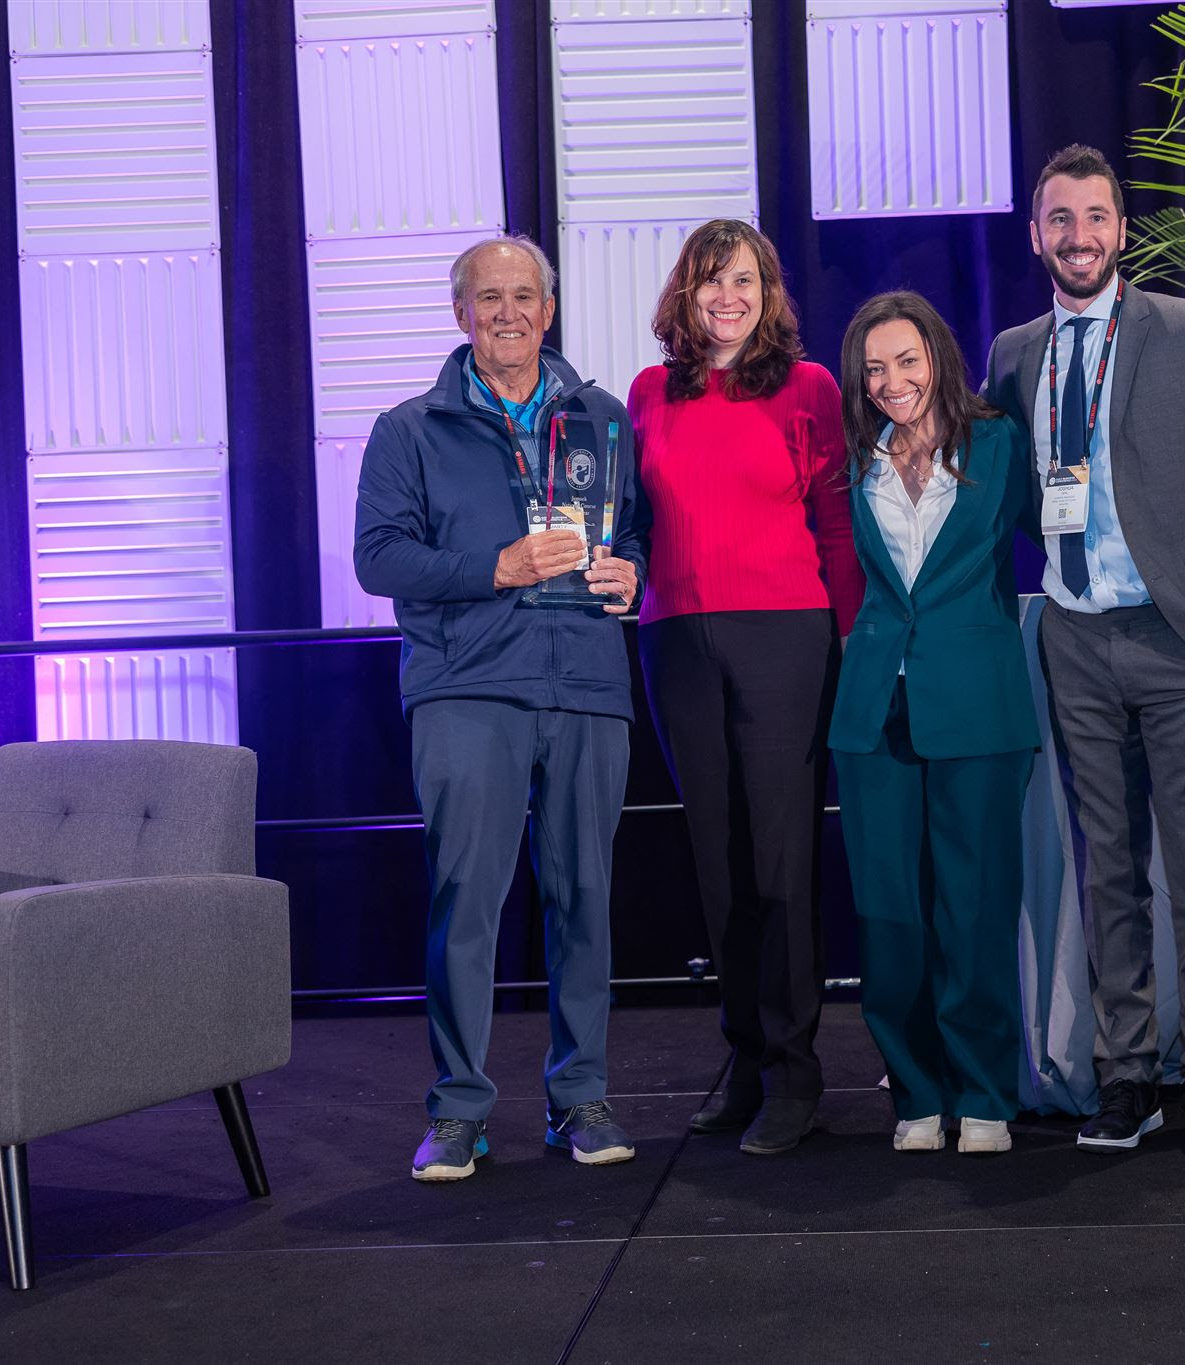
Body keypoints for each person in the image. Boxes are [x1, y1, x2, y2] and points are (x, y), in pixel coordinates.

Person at [984, 145, 1185, 1157]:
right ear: (1036, 235)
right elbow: (1001, 493)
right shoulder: (1014, 352)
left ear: (1121, 228)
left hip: (1180, 636)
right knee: (1104, 870)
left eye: (1095, 217)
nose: (1078, 236)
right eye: (1059, 219)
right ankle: (1125, 1078)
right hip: (1072, 634)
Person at [354, 234, 644, 1181]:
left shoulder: (602, 418)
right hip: (467, 689)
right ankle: (458, 1109)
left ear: (548, 309)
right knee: (466, 902)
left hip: (587, 684)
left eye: (525, 295)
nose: (509, 312)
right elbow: (379, 558)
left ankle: (580, 1098)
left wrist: (628, 574)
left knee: (586, 900)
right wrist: (496, 567)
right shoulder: (408, 430)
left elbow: (633, 531)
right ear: (462, 314)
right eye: (489, 297)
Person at [626, 220, 864, 1155]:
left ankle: (798, 1070)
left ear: (769, 294)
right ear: (683, 294)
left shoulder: (807, 388)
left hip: (786, 638)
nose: (727, 297)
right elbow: (633, 518)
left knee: (780, 859)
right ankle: (747, 1057)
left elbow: (838, 529)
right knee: (718, 865)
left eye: (745, 281)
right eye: (709, 281)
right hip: (676, 639)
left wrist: (846, 642)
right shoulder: (647, 394)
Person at [828, 291, 1039, 1157]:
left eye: (905, 361)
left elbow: (1061, 535)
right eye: (874, 368)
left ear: (938, 358)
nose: (890, 381)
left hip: (980, 702)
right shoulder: (853, 459)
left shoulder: (999, 443)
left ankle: (984, 1089)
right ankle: (916, 1089)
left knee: (976, 908)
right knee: (890, 915)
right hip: (875, 706)